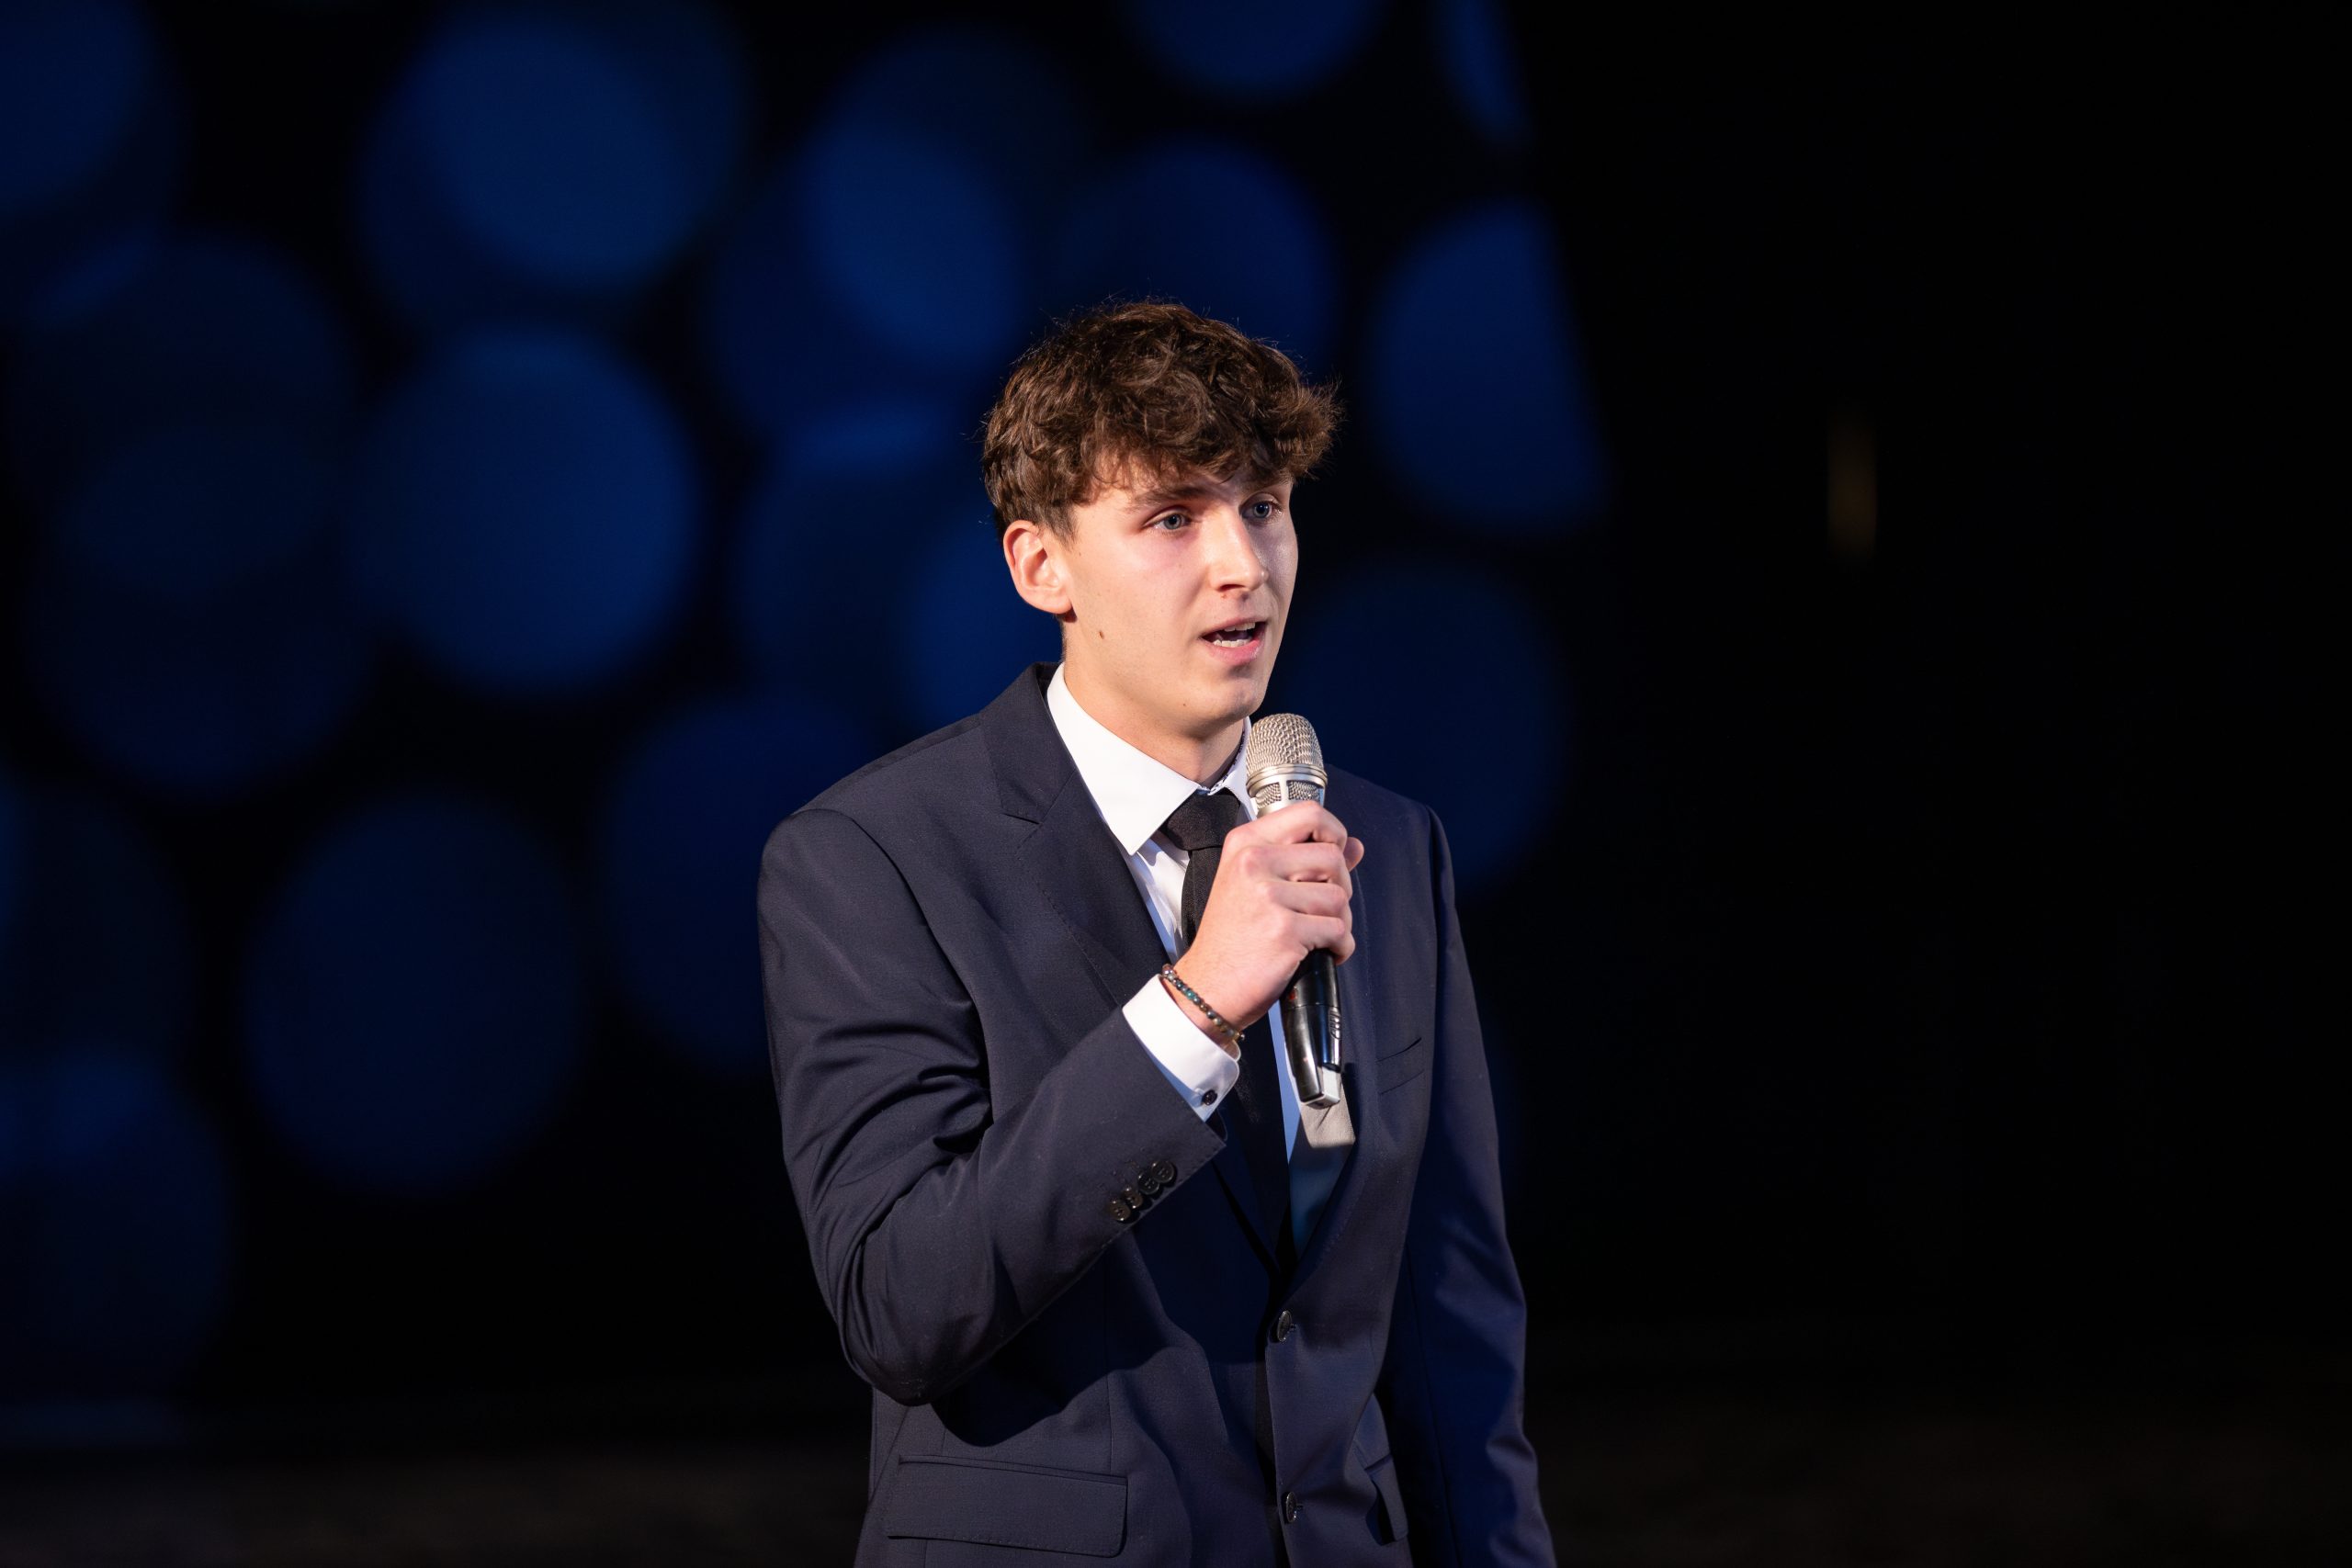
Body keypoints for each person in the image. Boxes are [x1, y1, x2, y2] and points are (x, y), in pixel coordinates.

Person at [757, 301, 1553, 1564]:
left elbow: (1451, 1326)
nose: (1243, 564)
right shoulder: (872, 856)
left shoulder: (1389, 848)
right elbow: (900, 1304)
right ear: (1042, 567)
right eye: (1175, 517)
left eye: (1265, 505)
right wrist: (1192, 1009)